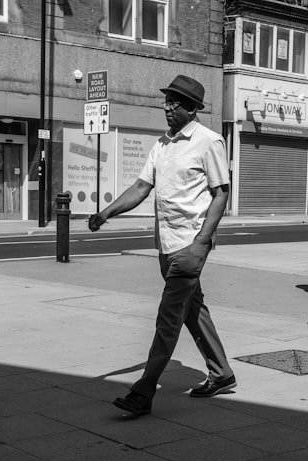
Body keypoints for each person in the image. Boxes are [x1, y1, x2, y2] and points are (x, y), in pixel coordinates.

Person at [88, 74, 235, 418]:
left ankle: (143, 391)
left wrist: (202, 241)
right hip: (166, 244)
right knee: (193, 310)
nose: (168, 107)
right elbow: (141, 187)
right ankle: (222, 373)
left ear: (194, 108)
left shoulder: (208, 142)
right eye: (167, 100)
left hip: (189, 245)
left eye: (176, 102)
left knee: (167, 319)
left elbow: (221, 193)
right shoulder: (162, 145)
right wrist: (105, 213)